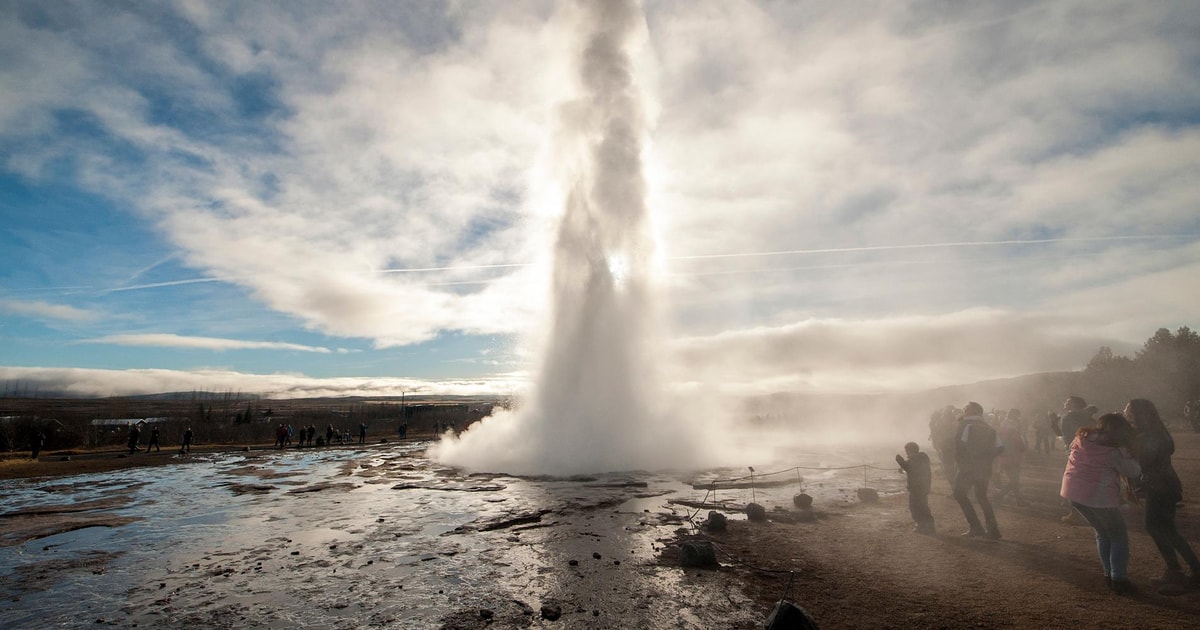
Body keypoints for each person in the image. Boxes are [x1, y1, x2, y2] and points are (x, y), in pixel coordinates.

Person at [1061, 412, 1141, 595]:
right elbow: (1133, 471)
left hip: (1074, 494)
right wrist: (1133, 455)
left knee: (1102, 533)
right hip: (1099, 497)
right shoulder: (1113, 450)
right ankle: (1119, 579)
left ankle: (1108, 573)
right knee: (1118, 536)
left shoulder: (1081, 440)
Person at [1126, 398, 1200, 591]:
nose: (1125, 411)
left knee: (1157, 527)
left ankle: (1179, 571)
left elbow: (1144, 461)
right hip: (1165, 485)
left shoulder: (1147, 435)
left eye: (1128, 408)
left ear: (1137, 413)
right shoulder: (1156, 431)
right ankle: (1185, 569)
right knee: (1165, 529)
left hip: (1159, 487)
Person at [953, 402, 1002, 539]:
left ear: (975, 411)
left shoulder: (966, 425)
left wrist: (963, 464)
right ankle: (993, 530)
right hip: (984, 468)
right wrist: (986, 459)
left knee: (959, 494)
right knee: (981, 496)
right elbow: (1000, 448)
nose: (964, 408)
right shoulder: (989, 428)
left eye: (966, 407)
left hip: (968, 468)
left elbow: (959, 447)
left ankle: (976, 527)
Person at [896, 442, 935, 535]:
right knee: (923, 507)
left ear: (911, 450)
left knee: (915, 507)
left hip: (917, 488)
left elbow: (910, 469)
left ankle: (922, 526)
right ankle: (928, 526)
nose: (906, 453)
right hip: (923, 487)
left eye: (907, 451)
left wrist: (900, 462)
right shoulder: (922, 457)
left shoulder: (916, 459)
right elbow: (912, 470)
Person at [994, 410, 1027, 505]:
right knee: (1015, 479)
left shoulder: (1003, 428)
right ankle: (1003, 495)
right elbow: (1021, 444)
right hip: (1011, 457)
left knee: (1014, 480)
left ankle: (1005, 496)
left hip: (1008, 456)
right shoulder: (1011, 430)